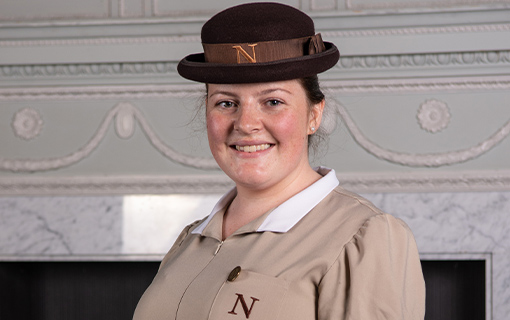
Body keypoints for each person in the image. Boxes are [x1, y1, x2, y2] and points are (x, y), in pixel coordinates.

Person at [133, 3, 425, 320]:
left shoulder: (364, 236)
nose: (245, 123)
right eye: (226, 102)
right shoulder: (189, 241)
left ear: (314, 115)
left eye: (273, 101)